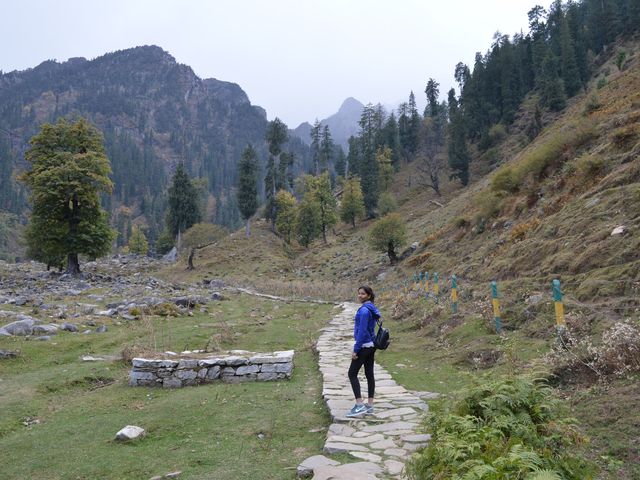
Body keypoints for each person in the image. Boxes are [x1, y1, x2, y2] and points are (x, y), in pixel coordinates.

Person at [346, 285, 380, 417]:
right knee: (369, 373)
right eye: (359, 293)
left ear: (369, 295)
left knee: (352, 373)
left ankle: (359, 404)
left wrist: (356, 349)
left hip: (364, 345)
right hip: (372, 344)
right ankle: (370, 405)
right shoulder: (371, 308)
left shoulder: (364, 311)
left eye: (363, 294)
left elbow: (362, 331)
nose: (360, 296)